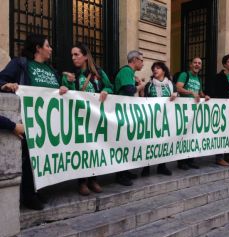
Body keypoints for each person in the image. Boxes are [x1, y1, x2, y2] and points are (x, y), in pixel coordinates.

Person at [0, 34, 67, 210]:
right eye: (48, 45)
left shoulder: (51, 71)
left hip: (48, 121)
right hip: (28, 117)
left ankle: (37, 190)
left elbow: (55, 92)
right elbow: (1, 79)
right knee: (29, 156)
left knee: (41, 155)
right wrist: (6, 85)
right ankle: (28, 195)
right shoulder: (20, 64)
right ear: (38, 48)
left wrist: (62, 89)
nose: (51, 49)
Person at [62, 43, 113, 195]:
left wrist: (105, 90)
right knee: (82, 148)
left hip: (96, 117)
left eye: (76, 54)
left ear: (85, 56)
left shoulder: (98, 72)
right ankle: (82, 182)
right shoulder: (71, 74)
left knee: (96, 147)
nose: (73, 58)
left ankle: (93, 179)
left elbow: (110, 86)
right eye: (72, 55)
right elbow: (67, 95)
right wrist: (67, 84)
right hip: (80, 118)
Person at [114, 50, 146, 186]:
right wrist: (142, 85)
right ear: (134, 60)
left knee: (127, 142)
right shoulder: (126, 71)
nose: (143, 63)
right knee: (122, 143)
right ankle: (120, 175)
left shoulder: (130, 74)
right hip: (122, 112)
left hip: (127, 112)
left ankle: (125, 171)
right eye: (141, 60)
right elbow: (129, 90)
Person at [141, 61, 177, 177]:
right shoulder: (149, 85)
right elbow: (143, 100)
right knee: (149, 142)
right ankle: (146, 167)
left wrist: (176, 95)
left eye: (158, 68)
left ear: (164, 70)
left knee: (163, 141)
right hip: (151, 119)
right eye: (153, 69)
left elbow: (178, 99)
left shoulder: (171, 85)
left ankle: (162, 166)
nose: (155, 70)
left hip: (166, 119)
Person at [176, 57, 210, 170]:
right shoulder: (185, 75)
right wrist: (191, 92)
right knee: (183, 135)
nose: (197, 65)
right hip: (184, 109)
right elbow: (178, 88)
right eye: (195, 63)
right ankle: (181, 162)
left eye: (199, 63)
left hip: (194, 111)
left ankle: (190, 160)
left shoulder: (198, 78)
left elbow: (199, 93)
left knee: (192, 135)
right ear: (191, 65)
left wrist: (204, 96)